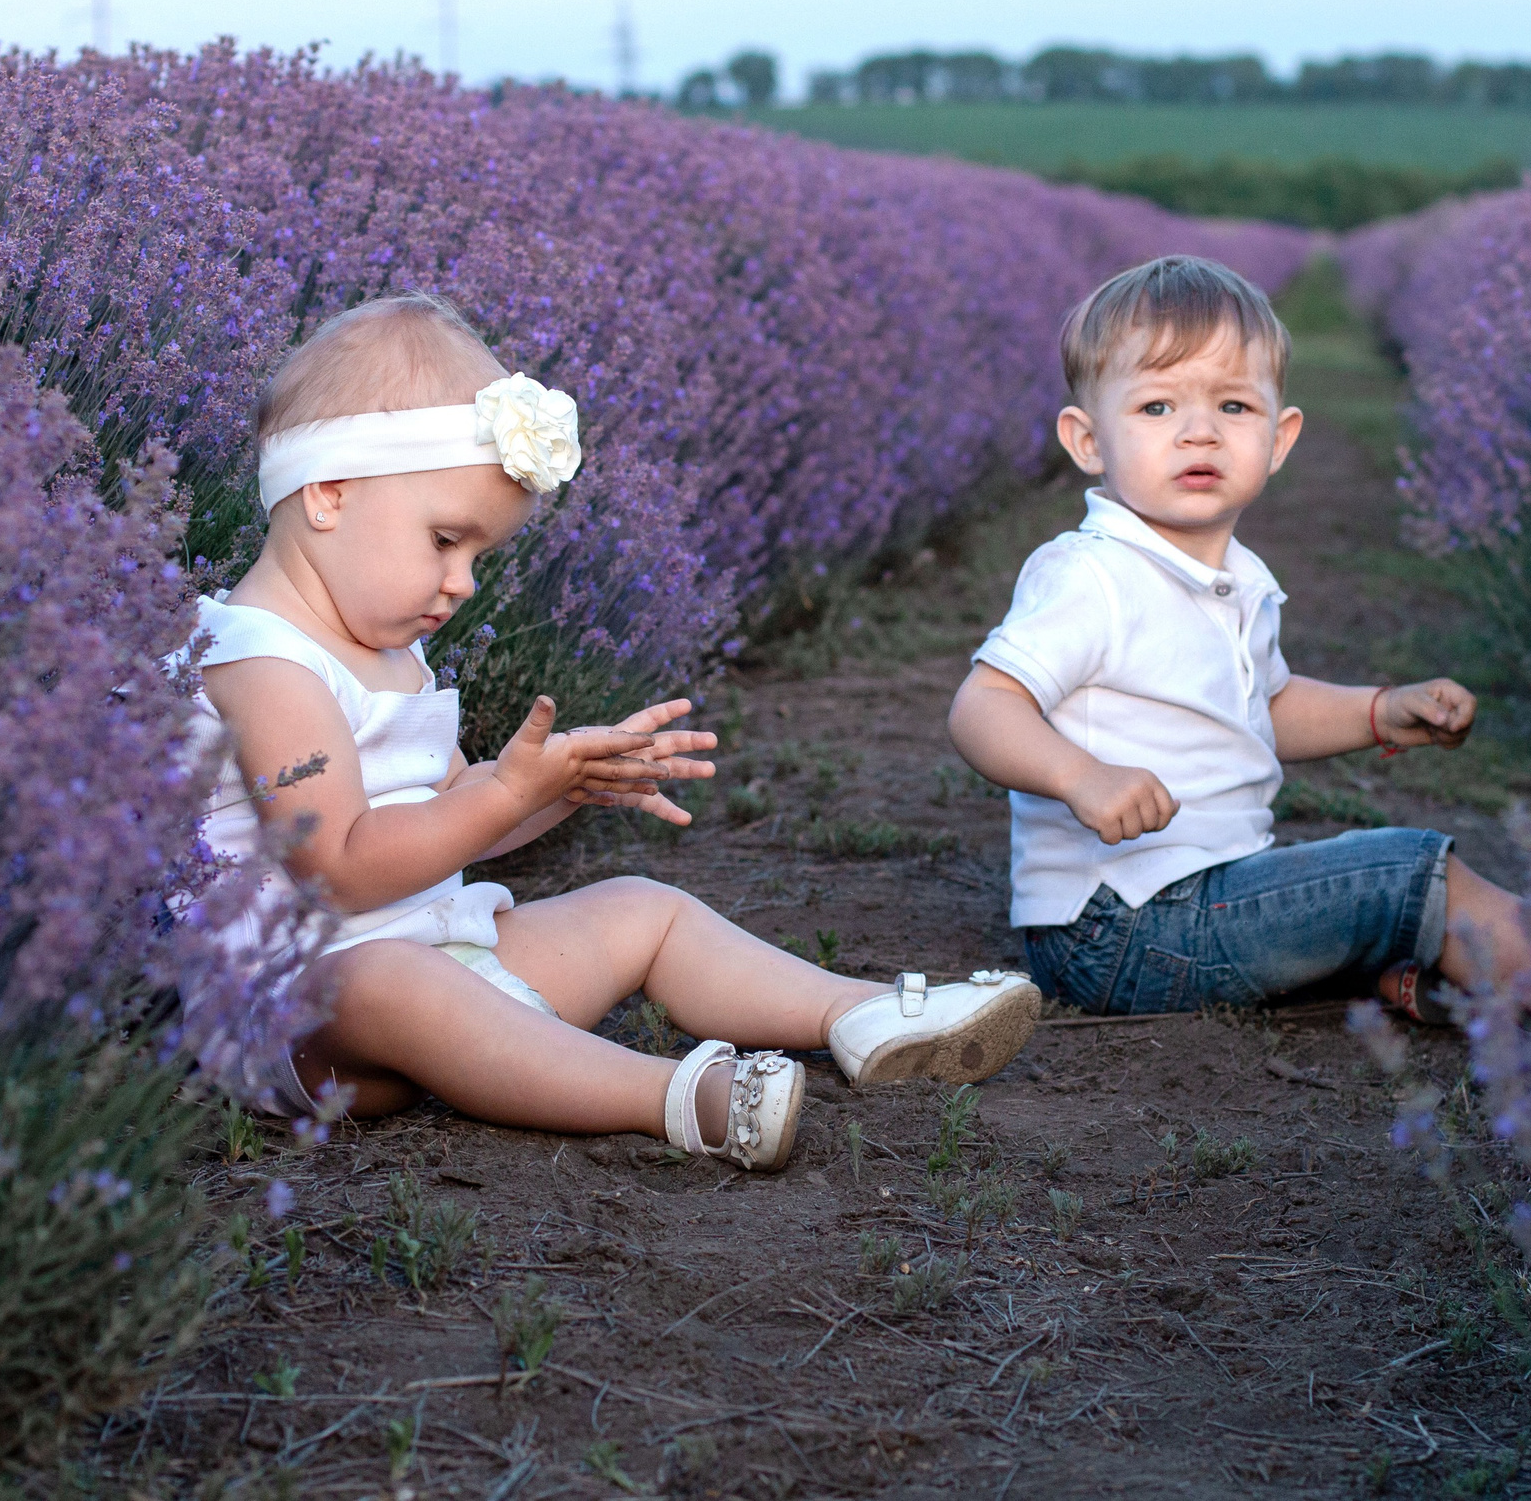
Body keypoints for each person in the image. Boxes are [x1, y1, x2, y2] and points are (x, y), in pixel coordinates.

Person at [186, 292, 1039, 1171]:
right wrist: (510, 792)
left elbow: (452, 821)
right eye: (445, 540)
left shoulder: (388, 651)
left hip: (438, 956)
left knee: (646, 908)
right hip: (304, 1009)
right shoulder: (262, 660)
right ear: (327, 494)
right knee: (391, 980)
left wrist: (558, 788)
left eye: (478, 555)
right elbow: (343, 869)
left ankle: (858, 1014)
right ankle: (672, 1097)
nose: (464, 583)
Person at [947, 256, 1531, 1025]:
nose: (1199, 431)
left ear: (1279, 436)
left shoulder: (1236, 576)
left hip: (1203, 895)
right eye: (1157, 408)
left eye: (1232, 406)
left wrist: (1379, 711)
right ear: (1087, 440)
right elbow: (983, 704)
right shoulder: (1091, 575)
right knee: (1408, 871)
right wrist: (1079, 774)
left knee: (1360, 890)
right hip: (1119, 925)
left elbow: (1260, 705)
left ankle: (1409, 975)